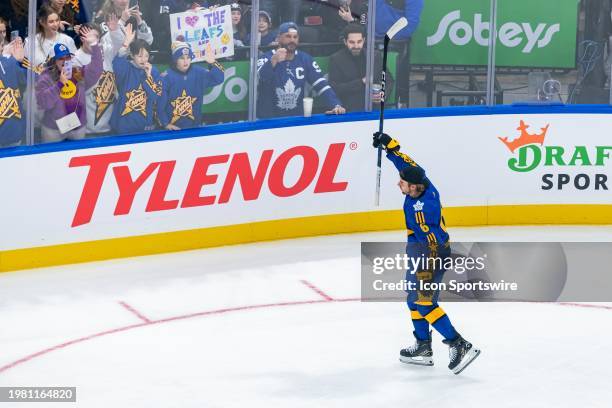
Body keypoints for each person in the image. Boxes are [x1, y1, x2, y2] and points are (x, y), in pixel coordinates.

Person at [372, 131, 481, 375]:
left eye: (401, 183)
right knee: (413, 299)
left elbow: (433, 242)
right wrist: (390, 147)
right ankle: (423, 346)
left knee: (423, 301)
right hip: (420, 252)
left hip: (430, 255)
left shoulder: (422, 210)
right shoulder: (424, 182)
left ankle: (459, 344)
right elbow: (407, 164)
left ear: (412, 188)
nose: (397, 184)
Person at [256, 22, 345, 119]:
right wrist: (273, 61)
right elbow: (262, 78)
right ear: (278, 38)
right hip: (268, 121)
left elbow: (321, 85)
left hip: (296, 120)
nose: (292, 40)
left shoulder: (305, 59)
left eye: (295, 37)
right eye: (288, 36)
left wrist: (336, 104)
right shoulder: (266, 57)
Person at [35, 27, 103, 142]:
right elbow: (44, 103)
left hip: (77, 126)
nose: (65, 60)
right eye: (60, 58)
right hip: (53, 129)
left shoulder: (76, 72)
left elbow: (95, 70)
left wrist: (94, 45)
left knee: (78, 157)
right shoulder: (45, 77)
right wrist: (59, 84)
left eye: (67, 56)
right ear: (53, 61)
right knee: (50, 158)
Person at [73, 16, 123, 135]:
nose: (92, 40)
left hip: (110, 122)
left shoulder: (105, 50)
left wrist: (115, 31)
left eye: (96, 38)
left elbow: (117, 43)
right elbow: (83, 82)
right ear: (82, 38)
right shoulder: (75, 59)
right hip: (88, 127)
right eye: (89, 37)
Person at [158, 41, 224, 130]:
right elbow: (160, 104)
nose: (186, 61)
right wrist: (165, 124)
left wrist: (213, 63)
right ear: (175, 59)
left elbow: (219, 79)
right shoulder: (166, 77)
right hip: (173, 130)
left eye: (188, 57)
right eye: (182, 58)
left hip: (195, 128)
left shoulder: (199, 72)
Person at [328, 23, 393, 112]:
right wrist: (361, 82)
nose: (356, 46)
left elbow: (389, 80)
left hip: (375, 110)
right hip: (349, 111)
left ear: (364, 40)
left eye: (359, 41)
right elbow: (335, 88)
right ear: (345, 41)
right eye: (352, 42)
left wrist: (382, 95)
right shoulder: (336, 59)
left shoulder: (375, 55)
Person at [110, 23, 161, 134]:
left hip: (145, 123)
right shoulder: (126, 67)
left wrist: (149, 77)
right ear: (132, 55)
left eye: (146, 56)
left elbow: (156, 96)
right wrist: (126, 43)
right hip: (125, 122)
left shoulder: (154, 71)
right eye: (139, 56)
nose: (143, 59)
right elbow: (116, 64)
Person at [25, 4, 77, 72]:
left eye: (57, 20)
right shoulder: (30, 42)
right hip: (39, 81)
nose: (55, 24)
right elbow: (26, 68)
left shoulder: (67, 40)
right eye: (51, 21)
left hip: (64, 81)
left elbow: (75, 64)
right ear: (42, 22)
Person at [0, 37, 27, 147]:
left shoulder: (9, 63)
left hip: (13, 131)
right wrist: (9, 59)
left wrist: (20, 62)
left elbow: (26, 80)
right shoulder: (8, 62)